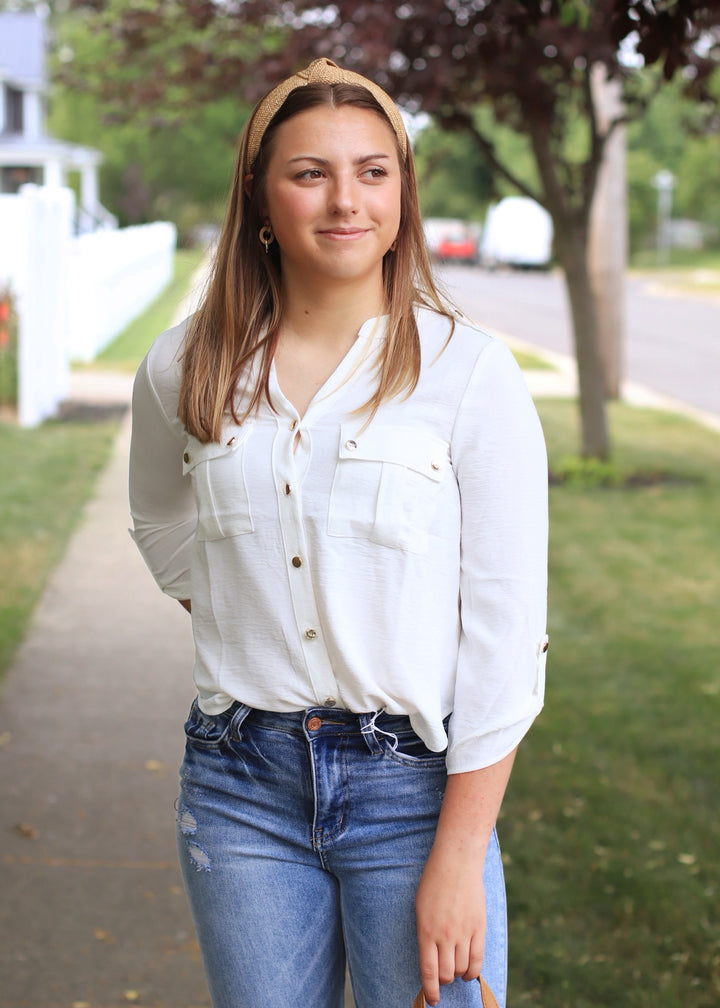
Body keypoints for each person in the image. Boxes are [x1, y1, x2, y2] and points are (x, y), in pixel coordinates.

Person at [129, 58, 548, 1008]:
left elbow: (506, 634)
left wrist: (460, 854)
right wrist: (241, 602)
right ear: (261, 197)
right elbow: (156, 513)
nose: (345, 200)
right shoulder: (186, 366)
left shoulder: (469, 373)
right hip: (238, 787)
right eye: (310, 172)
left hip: (416, 795)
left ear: (402, 190)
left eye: (373, 170)